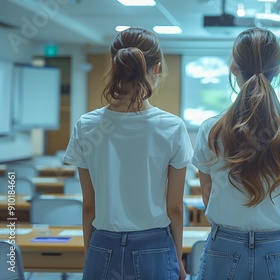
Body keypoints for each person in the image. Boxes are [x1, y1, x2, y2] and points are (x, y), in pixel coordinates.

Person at [63, 27, 193, 280]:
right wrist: (176, 258)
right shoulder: (172, 126)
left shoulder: (86, 125)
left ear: (115, 66)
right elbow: (175, 207)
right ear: (156, 69)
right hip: (154, 246)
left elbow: (89, 206)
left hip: (103, 242)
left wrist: (92, 254)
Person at [192, 27, 280, 279]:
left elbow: (208, 195)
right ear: (278, 70)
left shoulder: (210, 129)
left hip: (224, 246)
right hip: (277, 247)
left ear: (233, 67)